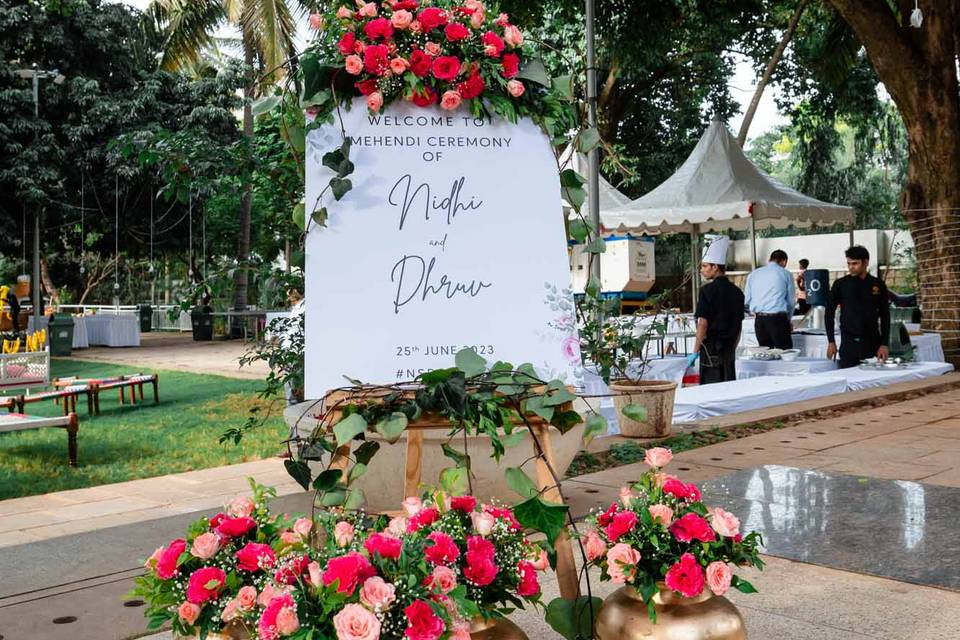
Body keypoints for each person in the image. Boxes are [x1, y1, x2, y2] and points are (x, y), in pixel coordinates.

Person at [687, 236, 744, 384]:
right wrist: (732, 348)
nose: (702, 270)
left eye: (705, 266)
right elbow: (738, 327)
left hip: (710, 349)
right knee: (728, 390)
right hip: (729, 349)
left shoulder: (707, 290)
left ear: (715, 267)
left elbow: (702, 324)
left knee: (711, 393)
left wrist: (695, 351)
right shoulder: (738, 292)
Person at [825, 245, 890, 368]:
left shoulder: (878, 284)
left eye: (855, 263)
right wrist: (831, 341)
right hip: (849, 345)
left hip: (872, 344)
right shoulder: (840, 284)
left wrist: (884, 344)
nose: (851, 267)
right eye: (849, 263)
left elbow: (885, 315)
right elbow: (829, 313)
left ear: (865, 262)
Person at [744, 249, 795, 349]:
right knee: (785, 353)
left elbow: (747, 300)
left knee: (765, 354)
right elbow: (790, 302)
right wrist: (788, 319)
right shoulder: (786, 274)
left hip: (760, 320)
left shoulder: (753, 274)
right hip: (778, 319)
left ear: (769, 260)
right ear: (784, 261)